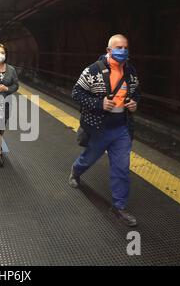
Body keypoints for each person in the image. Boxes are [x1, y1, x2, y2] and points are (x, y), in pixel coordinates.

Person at [70, 34, 140, 227]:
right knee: (89, 158)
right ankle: (76, 171)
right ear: (109, 50)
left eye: (125, 47)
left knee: (122, 168)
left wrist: (134, 103)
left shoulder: (130, 71)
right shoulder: (93, 71)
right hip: (99, 128)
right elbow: (76, 92)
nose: (123, 51)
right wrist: (98, 103)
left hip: (121, 128)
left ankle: (119, 207)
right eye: (118, 47)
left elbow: (136, 92)